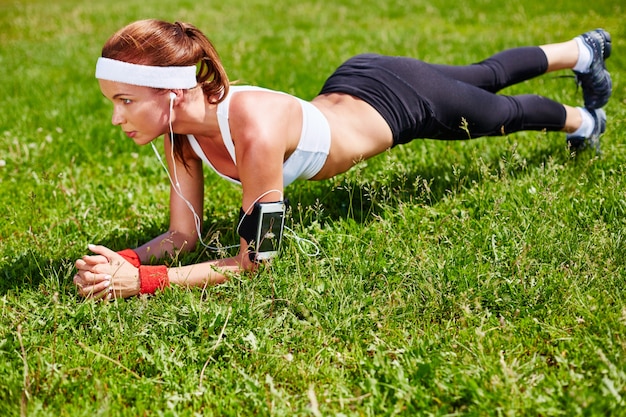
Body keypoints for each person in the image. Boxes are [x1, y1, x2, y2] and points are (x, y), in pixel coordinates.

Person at [73, 19, 612, 300]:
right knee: (482, 76)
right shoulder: (179, 136)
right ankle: (584, 51)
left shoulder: (253, 131)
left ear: (170, 93)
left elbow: (254, 266)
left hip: (403, 105)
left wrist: (144, 283)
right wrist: (122, 262)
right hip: (356, 81)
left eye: (125, 101)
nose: (117, 118)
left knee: (499, 109)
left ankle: (586, 119)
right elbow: (183, 238)